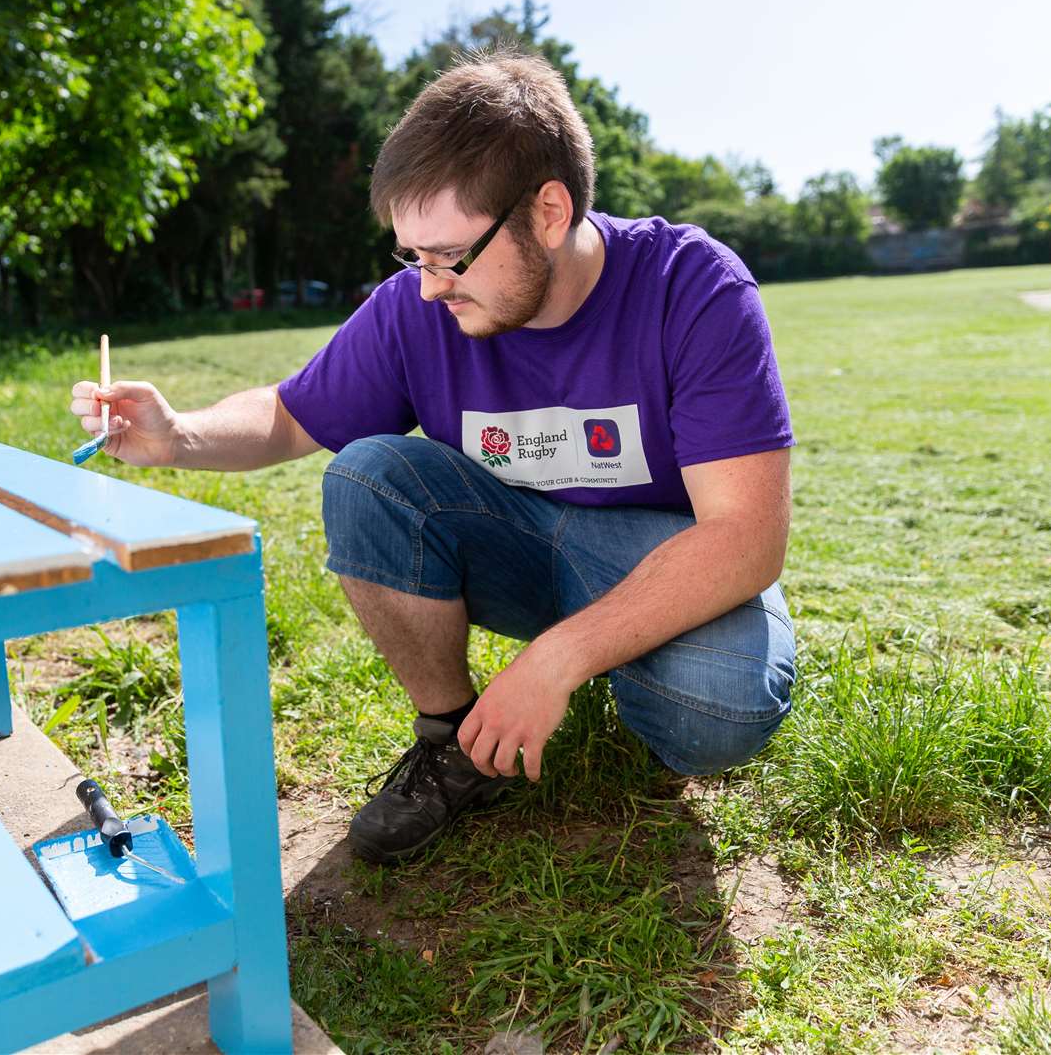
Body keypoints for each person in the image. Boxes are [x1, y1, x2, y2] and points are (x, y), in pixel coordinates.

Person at [69, 50, 796, 865]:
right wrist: (177, 435)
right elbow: (290, 414)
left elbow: (747, 537)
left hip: (653, 554)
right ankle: (454, 741)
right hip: (511, 545)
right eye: (411, 257)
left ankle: (611, 664)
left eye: (449, 256)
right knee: (367, 475)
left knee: (722, 710)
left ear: (548, 212)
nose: (429, 286)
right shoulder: (419, 307)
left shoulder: (691, 287)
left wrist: (555, 661)